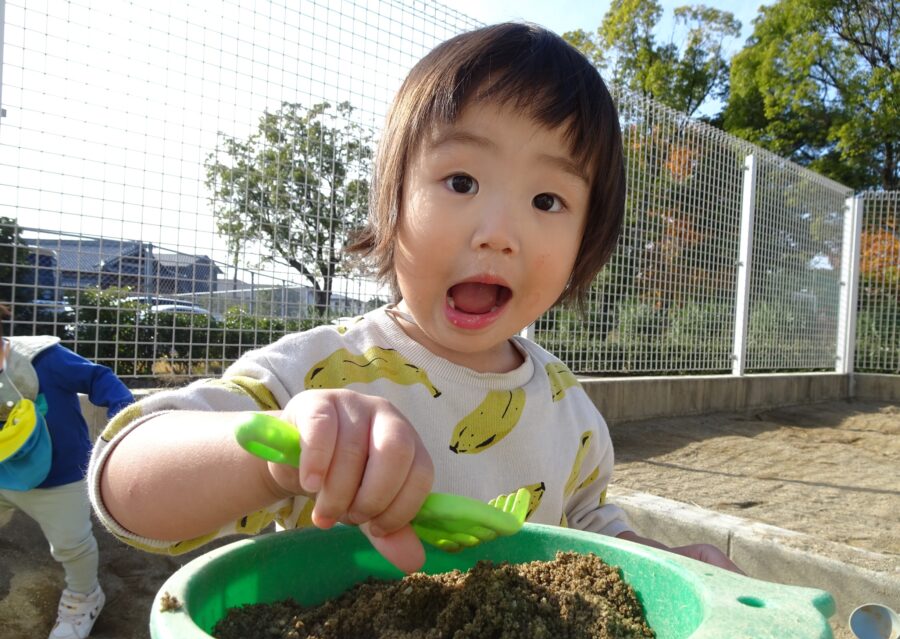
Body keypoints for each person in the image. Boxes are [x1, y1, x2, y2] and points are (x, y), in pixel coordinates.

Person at [87, 23, 741, 575]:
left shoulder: (568, 406)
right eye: (461, 181)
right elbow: (125, 484)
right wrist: (275, 457)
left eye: (547, 199)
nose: (499, 233)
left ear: (586, 240)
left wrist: (665, 562)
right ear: (393, 202)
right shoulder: (322, 374)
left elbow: (589, 523)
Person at [0, 307, 135, 639]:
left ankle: (84, 595)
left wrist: (123, 420)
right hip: (3, 472)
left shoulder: (43, 359)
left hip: (59, 477)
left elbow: (98, 378)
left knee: (70, 543)